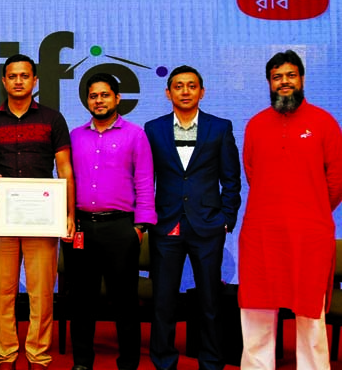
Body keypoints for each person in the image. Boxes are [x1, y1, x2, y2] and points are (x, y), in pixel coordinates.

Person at [239, 50, 342, 370]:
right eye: (277, 77)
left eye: (290, 75)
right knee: (256, 310)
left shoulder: (324, 122)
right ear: (269, 83)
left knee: (311, 313)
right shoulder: (255, 125)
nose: (284, 82)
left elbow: (336, 180)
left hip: (310, 232)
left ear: (302, 79)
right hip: (262, 232)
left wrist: (307, 209)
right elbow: (253, 172)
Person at [0, 54, 75, 370]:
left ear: (35, 81)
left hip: (43, 218)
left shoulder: (52, 119)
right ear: (4, 81)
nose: (18, 81)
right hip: (3, 219)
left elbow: (65, 169)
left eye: (25, 75)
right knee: (1, 292)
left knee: (41, 293)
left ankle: (38, 355)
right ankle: (5, 354)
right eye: (12, 76)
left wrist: (69, 214)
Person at [144, 66, 241, 370]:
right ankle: (163, 362)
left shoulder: (220, 128)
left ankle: (211, 362)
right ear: (167, 92)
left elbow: (231, 179)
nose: (185, 91)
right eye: (178, 86)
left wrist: (226, 217)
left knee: (210, 302)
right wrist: (149, 218)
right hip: (167, 226)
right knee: (163, 301)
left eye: (191, 86)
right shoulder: (153, 129)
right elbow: (147, 179)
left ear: (202, 91)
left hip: (208, 226)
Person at [65, 72, 156, 370]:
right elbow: (64, 180)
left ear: (117, 99)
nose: (99, 100)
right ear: (87, 101)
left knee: (125, 302)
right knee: (82, 301)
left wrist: (140, 227)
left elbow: (144, 181)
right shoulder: (75, 136)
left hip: (121, 227)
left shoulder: (134, 134)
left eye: (105, 95)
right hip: (82, 227)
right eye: (93, 96)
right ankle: (82, 362)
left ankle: (128, 362)